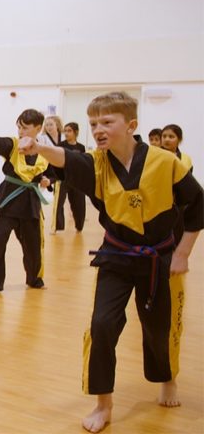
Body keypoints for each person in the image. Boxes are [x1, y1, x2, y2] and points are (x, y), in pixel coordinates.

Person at [19, 92, 201, 433]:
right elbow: (67, 159)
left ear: (131, 125)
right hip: (116, 255)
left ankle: (167, 378)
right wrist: (39, 147)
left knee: (159, 327)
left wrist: (182, 253)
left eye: (106, 122)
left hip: (159, 258)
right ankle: (103, 404)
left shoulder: (165, 162)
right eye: (93, 124)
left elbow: (197, 204)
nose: (98, 130)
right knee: (102, 325)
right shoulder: (97, 163)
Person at [0, 109, 52, 293]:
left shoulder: (44, 150)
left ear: (38, 128)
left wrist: (47, 180)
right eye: (19, 127)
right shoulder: (14, 144)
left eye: (25, 128)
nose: (21, 131)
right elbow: (2, 143)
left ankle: (35, 279)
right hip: (8, 200)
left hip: (30, 202)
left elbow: (50, 173)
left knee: (34, 243)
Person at [54, 122, 87, 232]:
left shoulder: (81, 147)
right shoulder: (60, 145)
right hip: (63, 178)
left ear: (76, 132)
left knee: (79, 204)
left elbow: (83, 163)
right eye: (65, 131)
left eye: (69, 131)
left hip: (77, 180)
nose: (66, 133)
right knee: (58, 203)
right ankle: (58, 227)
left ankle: (79, 226)